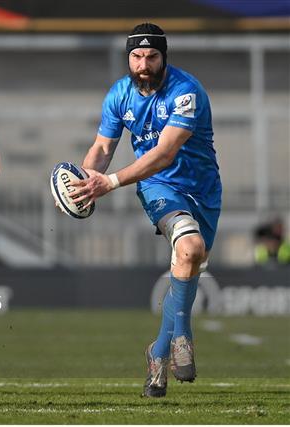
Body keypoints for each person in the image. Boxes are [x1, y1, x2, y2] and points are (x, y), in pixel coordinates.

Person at [70, 23, 221, 397]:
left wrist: (111, 182)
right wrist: (87, 182)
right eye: (136, 56)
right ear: (128, 58)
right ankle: (183, 337)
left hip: (203, 191)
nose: (143, 64)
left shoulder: (186, 92)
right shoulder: (119, 95)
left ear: (163, 57)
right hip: (158, 188)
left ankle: (156, 352)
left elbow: (165, 152)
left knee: (188, 264)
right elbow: (103, 148)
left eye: (151, 56)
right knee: (188, 247)